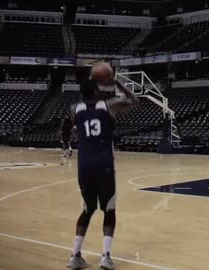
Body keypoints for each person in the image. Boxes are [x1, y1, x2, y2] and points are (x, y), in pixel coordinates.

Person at [66, 78, 139, 270]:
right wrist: (117, 84)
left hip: (84, 165)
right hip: (104, 164)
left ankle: (75, 255)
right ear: (97, 92)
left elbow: (76, 130)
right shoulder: (108, 105)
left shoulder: (74, 108)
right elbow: (134, 100)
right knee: (109, 210)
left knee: (87, 209)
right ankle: (106, 257)